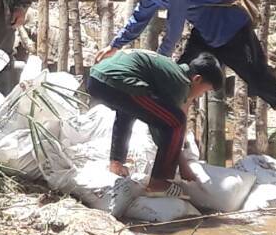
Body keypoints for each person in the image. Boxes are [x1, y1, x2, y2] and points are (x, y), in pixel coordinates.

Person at [96, 0, 276, 159]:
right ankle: (177, 143)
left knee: (260, 80)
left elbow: (174, 29)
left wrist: (158, 61)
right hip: (205, 32)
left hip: (233, 29)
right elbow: (139, 19)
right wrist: (114, 45)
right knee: (180, 80)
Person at [85, 51, 225, 192]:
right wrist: (183, 165)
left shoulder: (173, 71)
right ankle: (158, 182)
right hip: (118, 81)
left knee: (128, 112)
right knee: (176, 122)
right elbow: (162, 128)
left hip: (97, 78)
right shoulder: (181, 85)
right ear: (197, 79)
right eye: (205, 91)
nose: (200, 95)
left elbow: (155, 118)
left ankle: (116, 163)